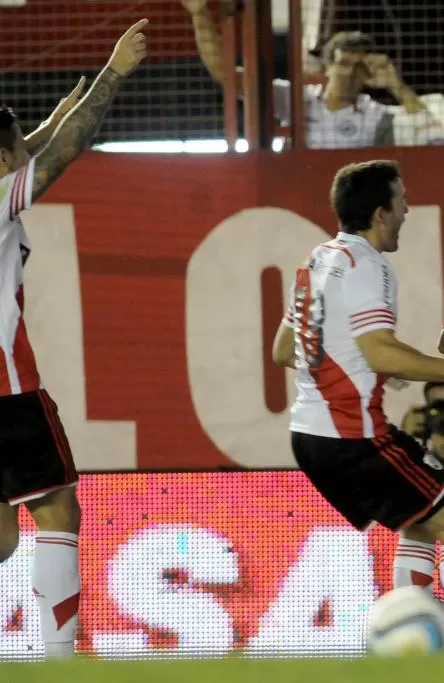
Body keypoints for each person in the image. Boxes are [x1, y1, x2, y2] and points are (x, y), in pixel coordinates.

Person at [271, 160, 444, 653]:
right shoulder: (369, 265)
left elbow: (285, 349)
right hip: (354, 436)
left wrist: (372, 366)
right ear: (381, 212)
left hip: (310, 436)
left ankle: (416, 649)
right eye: (402, 200)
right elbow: (378, 349)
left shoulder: (315, 261)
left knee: (419, 524)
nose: (408, 209)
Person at [0, 20, 148, 658]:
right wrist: (112, 74)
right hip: (7, 392)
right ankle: (60, 659)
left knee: (3, 536)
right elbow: (58, 159)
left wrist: (41, 127)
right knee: (56, 509)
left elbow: (27, 154)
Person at [181, 0, 439, 148]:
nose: (350, 73)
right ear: (327, 66)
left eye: (360, 67)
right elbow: (224, 74)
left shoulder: (376, 115)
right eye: (344, 63)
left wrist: (395, 84)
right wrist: (199, 14)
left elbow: (430, 135)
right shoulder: (295, 98)